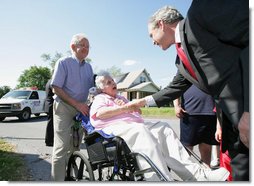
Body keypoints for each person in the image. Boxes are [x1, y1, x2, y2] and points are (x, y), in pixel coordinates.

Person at [126, 1, 249, 181]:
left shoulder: (201, 11)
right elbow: (175, 87)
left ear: (161, 23)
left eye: (151, 35)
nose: (152, 41)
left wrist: (249, 110)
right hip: (232, 121)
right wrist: (142, 102)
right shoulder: (181, 60)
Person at [89, 72, 229, 181]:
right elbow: (99, 114)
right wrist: (124, 109)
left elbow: (138, 111)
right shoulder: (100, 98)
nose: (113, 82)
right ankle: (160, 179)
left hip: (135, 124)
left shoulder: (121, 97)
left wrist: (130, 107)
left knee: (163, 126)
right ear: (102, 89)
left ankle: (197, 175)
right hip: (115, 127)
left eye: (113, 80)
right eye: (108, 82)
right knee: (140, 131)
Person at [50, 33, 94, 181]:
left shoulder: (89, 67)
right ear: (73, 47)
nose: (86, 49)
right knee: (61, 148)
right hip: (63, 107)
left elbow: (91, 90)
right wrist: (77, 104)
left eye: (88, 46)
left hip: (80, 110)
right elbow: (56, 87)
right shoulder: (63, 62)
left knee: (75, 147)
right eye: (83, 45)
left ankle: (69, 178)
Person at [173, 85, 219, 166]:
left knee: (206, 146)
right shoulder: (185, 72)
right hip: (189, 112)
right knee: (187, 147)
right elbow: (176, 87)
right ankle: (185, 172)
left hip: (210, 112)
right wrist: (176, 105)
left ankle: (206, 171)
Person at [44, 78, 54, 147]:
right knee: (51, 124)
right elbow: (55, 91)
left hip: (48, 104)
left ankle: (49, 140)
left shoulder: (48, 81)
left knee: (50, 123)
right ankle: (49, 141)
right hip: (51, 105)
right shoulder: (52, 82)